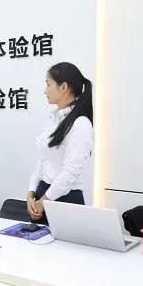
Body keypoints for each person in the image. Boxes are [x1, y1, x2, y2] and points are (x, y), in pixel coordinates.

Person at [26, 62, 94, 225]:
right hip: (42, 195)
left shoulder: (80, 124)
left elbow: (71, 171)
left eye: (48, 84)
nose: (45, 91)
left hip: (65, 200)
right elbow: (41, 162)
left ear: (63, 87)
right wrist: (31, 193)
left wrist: (44, 201)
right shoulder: (53, 119)